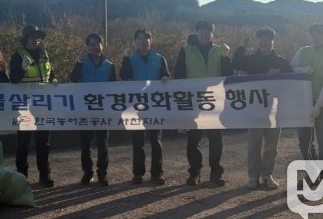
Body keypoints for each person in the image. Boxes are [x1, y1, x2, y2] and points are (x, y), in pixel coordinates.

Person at [231, 27, 293, 189]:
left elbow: (293, 83)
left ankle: (267, 175)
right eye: (261, 39)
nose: (264, 42)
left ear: (273, 42)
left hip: (275, 110)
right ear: (257, 41)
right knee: (254, 145)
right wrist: (242, 45)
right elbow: (235, 62)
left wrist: (280, 73)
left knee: (271, 146)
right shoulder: (250, 60)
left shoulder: (282, 62)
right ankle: (253, 177)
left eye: (268, 39)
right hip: (254, 109)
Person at [174, 20, 233, 187]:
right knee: (193, 140)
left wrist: (226, 57)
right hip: (193, 102)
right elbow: (178, 74)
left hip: (214, 101)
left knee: (216, 139)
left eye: (208, 31)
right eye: (201, 31)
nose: (205, 34)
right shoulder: (186, 50)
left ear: (212, 33)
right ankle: (195, 172)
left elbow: (228, 74)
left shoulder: (220, 51)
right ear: (196, 32)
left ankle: (215, 172)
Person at [119, 29, 171, 186]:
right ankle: (138, 173)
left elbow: (167, 76)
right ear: (135, 42)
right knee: (137, 141)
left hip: (156, 105)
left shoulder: (160, 59)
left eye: (146, 38)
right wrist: (125, 58)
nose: (143, 41)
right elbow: (123, 75)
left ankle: (157, 173)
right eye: (139, 38)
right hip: (136, 106)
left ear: (151, 41)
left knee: (156, 141)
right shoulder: (130, 59)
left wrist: (165, 78)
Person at [9, 25, 56, 187]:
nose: (36, 40)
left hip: (43, 105)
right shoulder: (17, 56)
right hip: (24, 105)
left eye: (38, 37)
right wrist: (22, 68)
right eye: (32, 37)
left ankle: (44, 174)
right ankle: (22, 177)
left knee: (44, 142)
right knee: (23, 142)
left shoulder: (44, 55)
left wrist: (54, 81)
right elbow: (13, 80)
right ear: (25, 39)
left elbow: (50, 75)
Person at [70, 33, 116, 186]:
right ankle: (87, 173)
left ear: (102, 45)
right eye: (91, 44)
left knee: (103, 143)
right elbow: (73, 79)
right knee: (85, 143)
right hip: (86, 109)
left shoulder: (110, 65)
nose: (95, 47)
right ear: (87, 47)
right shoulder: (81, 63)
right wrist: (78, 64)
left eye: (97, 44)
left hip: (103, 109)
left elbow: (115, 88)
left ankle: (102, 174)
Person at [291, 23, 323, 161]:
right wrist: (302, 70)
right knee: (304, 141)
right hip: (302, 103)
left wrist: (318, 106)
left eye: (319, 34)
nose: (316, 37)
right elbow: (290, 71)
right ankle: (312, 174)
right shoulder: (302, 52)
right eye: (313, 34)